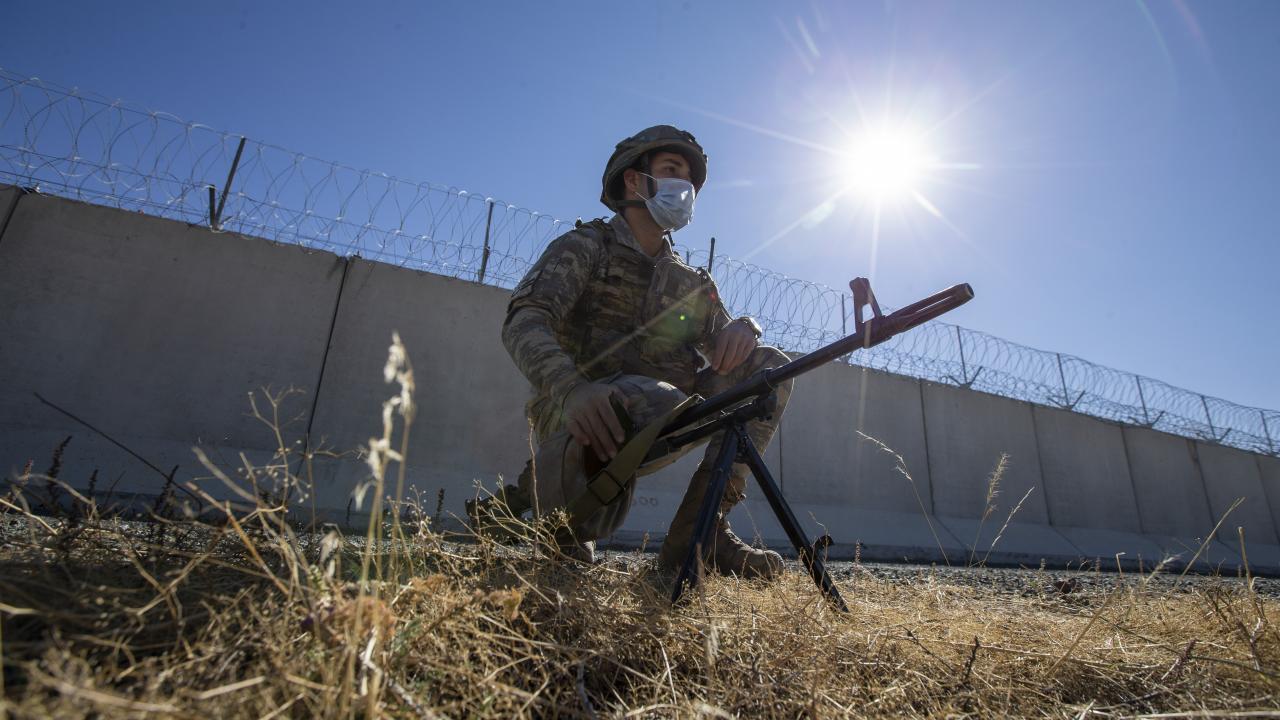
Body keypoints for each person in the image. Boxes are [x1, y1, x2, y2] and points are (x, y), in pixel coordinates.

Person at [495, 125, 794, 580]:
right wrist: (572, 390)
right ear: (634, 181)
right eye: (673, 171)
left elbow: (728, 348)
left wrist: (746, 329)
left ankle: (700, 531)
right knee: (567, 557)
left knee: (768, 368)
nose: (686, 188)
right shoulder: (587, 247)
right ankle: (559, 522)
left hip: (668, 412)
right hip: (577, 415)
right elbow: (524, 319)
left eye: (691, 181)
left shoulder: (692, 282)